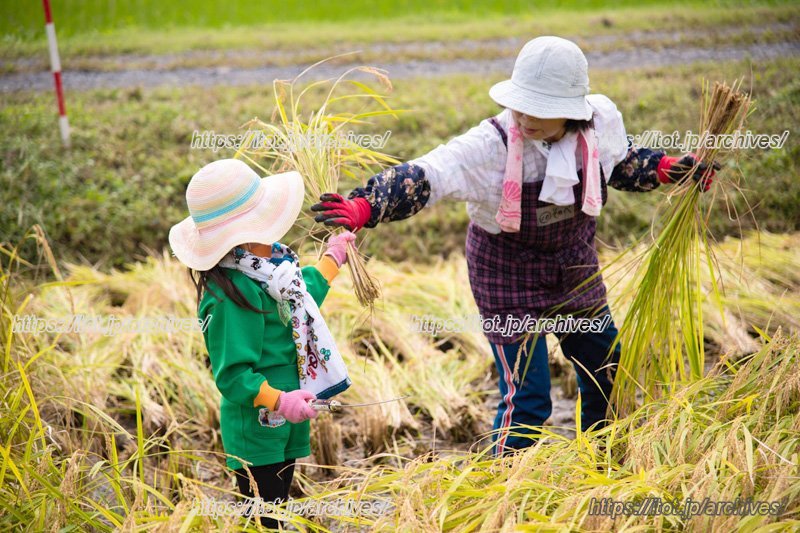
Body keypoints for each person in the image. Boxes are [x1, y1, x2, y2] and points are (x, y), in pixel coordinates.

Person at [311, 36, 716, 456]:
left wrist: (667, 169)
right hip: (506, 273)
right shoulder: (491, 146)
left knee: (607, 371)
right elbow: (430, 174)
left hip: (573, 263)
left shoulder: (598, 128)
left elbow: (622, 161)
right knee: (529, 398)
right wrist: (366, 205)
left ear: (571, 110)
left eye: (539, 108)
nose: (523, 116)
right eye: (520, 104)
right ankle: (504, 480)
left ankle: (603, 462)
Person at [169, 158, 355, 527]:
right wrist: (280, 401)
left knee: (278, 507)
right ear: (245, 236)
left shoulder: (270, 273)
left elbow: (301, 298)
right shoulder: (230, 297)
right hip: (257, 427)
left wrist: (332, 259)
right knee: (264, 518)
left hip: (288, 416)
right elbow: (233, 376)